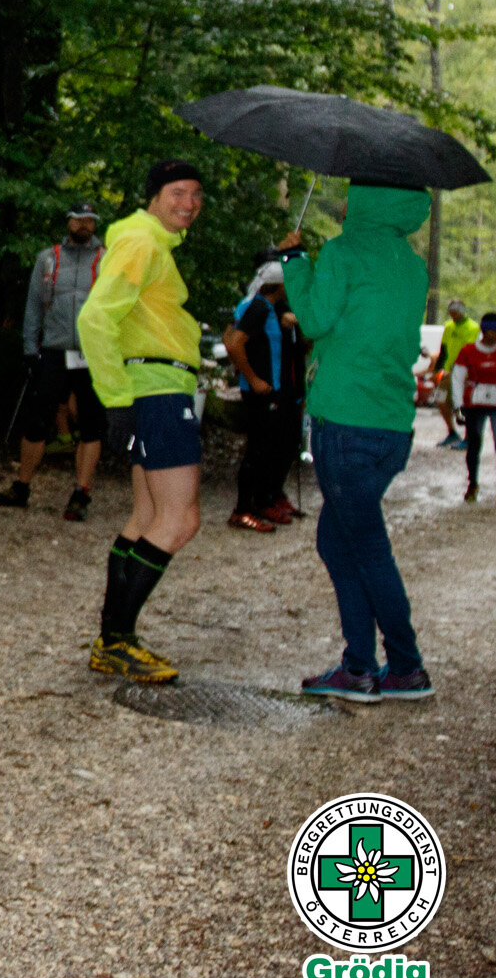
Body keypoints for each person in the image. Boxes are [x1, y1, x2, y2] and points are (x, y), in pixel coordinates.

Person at [278, 185, 434, 702]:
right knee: (336, 540)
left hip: (345, 418)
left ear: (365, 202)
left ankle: (405, 667)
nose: (344, 205)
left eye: (352, 197)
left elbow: (316, 319)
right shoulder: (412, 266)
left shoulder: (345, 251)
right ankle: (361, 667)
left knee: (366, 547)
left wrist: (294, 262)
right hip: (392, 424)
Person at [76, 160, 205, 685]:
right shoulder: (143, 243)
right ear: (154, 196)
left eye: (197, 195)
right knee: (181, 520)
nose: (189, 203)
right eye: (178, 192)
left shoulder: (148, 242)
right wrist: (115, 401)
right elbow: (95, 316)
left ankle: (114, 639)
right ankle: (116, 640)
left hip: (152, 389)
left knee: (146, 518)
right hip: (155, 391)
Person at [0, 202, 105, 520]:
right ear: (68, 222)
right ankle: (21, 486)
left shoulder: (107, 259)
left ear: (94, 225)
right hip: (53, 350)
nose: (83, 225)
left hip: (93, 353)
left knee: (92, 424)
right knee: (37, 420)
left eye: (89, 220)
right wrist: (30, 349)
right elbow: (33, 307)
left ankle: (81, 494)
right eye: (78, 219)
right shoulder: (47, 258)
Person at [225, 259, 306, 530]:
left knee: (271, 447)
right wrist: (254, 379)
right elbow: (234, 344)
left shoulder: (271, 309)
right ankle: (242, 509)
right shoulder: (259, 307)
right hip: (260, 392)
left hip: (275, 391)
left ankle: (262, 502)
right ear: (279, 285)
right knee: (257, 450)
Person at [454, 312, 496, 506]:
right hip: (474, 404)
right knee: (474, 445)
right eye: (493, 331)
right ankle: (472, 484)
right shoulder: (468, 351)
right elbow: (457, 379)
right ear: (484, 330)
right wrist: (458, 406)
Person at [432, 297, 476, 448]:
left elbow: (470, 352)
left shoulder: (472, 327)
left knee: (466, 406)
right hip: (449, 372)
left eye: (456, 312)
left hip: (466, 373)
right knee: (440, 399)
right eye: (451, 312)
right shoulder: (448, 326)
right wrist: (437, 370)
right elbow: (443, 350)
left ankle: (469, 438)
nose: (454, 315)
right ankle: (452, 432)